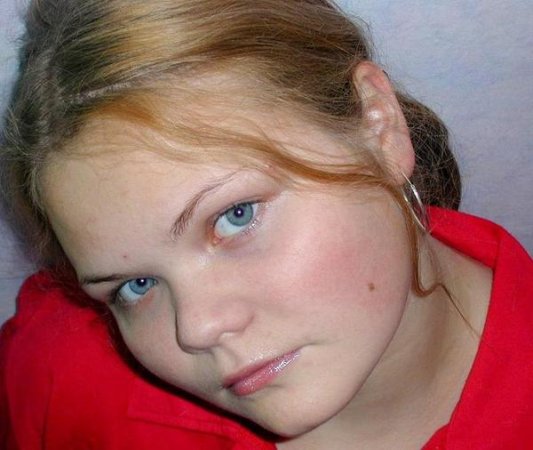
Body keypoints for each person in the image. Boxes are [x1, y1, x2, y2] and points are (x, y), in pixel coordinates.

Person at [0, 0, 531, 448]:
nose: (197, 329)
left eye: (236, 217)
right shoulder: (60, 374)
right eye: (136, 286)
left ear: (378, 124)